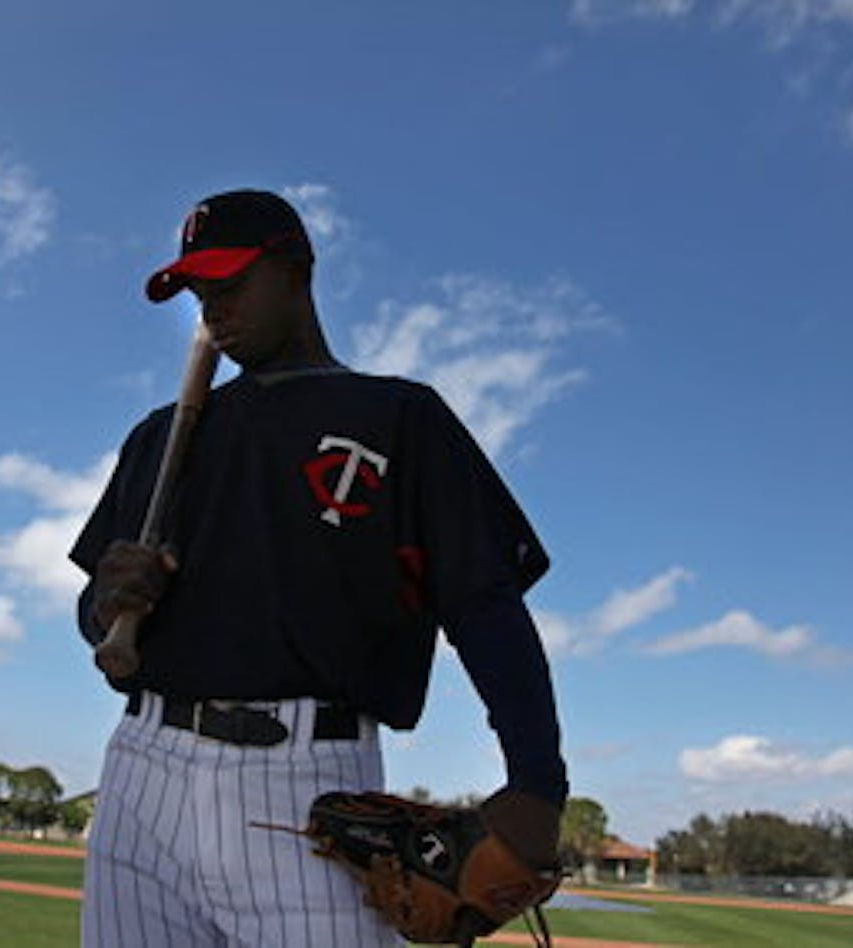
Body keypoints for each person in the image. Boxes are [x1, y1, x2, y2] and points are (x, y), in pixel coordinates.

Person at [70, 189, 568, 947]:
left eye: (231, 282)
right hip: (142, 773)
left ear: (297, 270)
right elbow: (97, 624)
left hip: (306, 785)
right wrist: (106, 604)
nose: (214, 307)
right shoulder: (158, 438)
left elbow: (483, 603)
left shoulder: (400, 416)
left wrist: (538, 781)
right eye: (201, 292)